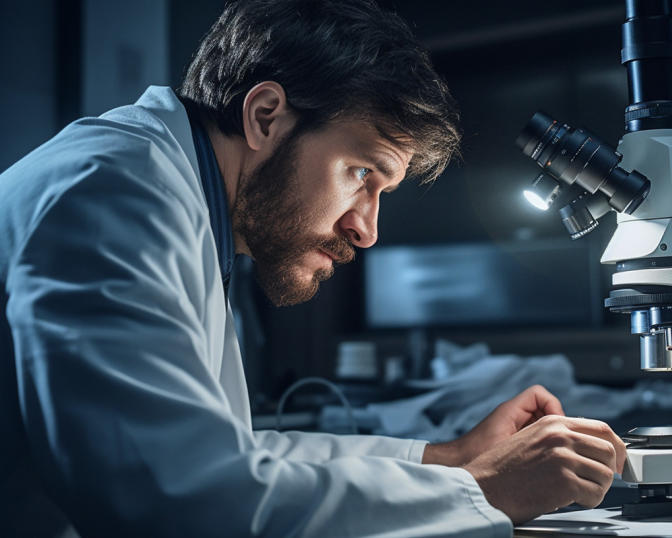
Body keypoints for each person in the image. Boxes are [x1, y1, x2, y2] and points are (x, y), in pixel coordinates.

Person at [0, 1, 626, 536]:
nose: (367, 229)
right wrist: (482, 492)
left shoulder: (174, 195)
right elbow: (183, 501)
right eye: (362, 174)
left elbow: (229, 457)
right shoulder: (117, 194)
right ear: (265, 115)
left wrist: (452, 458)